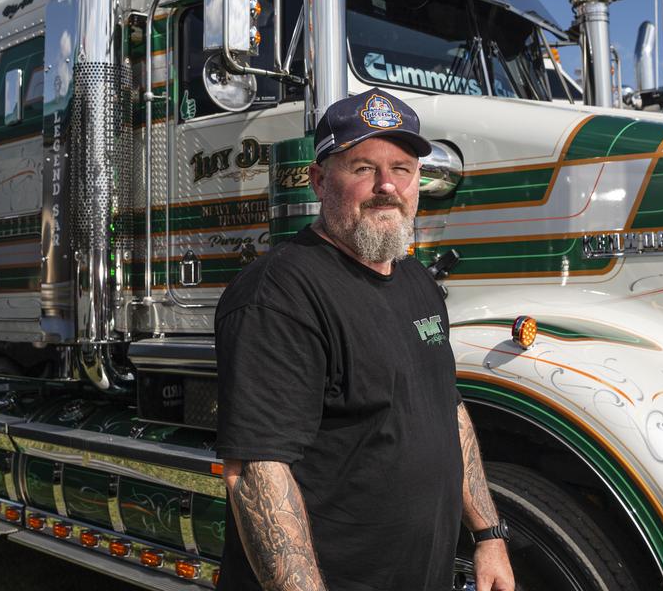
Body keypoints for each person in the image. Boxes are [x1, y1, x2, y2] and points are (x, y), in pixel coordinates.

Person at [215, 88, 515, 591]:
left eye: (401, 169)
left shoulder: (418, 282)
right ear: (317, 179)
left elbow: (449, 412)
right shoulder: (280, 293)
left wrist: (488, 534)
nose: (386, 186)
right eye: (362, 169)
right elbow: (256, 470)